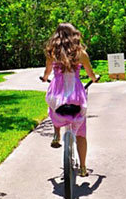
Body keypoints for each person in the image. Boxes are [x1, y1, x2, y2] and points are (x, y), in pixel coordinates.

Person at [41, 23, 99, 177]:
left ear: (57, 37)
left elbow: (47, 72)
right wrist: (95, 79)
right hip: (75, 95)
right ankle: (83, 167)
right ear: (74, 35)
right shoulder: (81, 54)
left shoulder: (52, 53)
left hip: (58, 93)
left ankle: (56, 134)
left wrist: (45, 78)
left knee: (53, 108)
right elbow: (91, 74)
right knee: (81, 132)